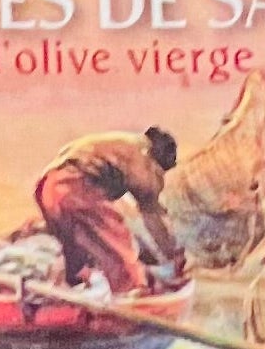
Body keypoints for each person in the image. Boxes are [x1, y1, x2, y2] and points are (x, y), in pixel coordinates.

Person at [33, 127, 183, 297]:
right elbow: (153, 217)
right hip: (72, 188)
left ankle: (72, 293)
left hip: (47, 189)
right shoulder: (143, 158)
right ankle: (132, 293)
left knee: (78, 251)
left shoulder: (120, 143)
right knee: (118, 241)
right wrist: (171, 260)